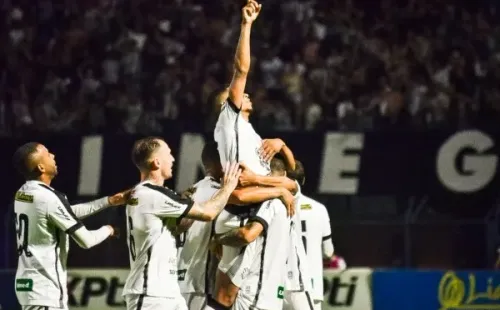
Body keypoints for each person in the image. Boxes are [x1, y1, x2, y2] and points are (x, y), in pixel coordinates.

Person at [122, 137, 241, 310]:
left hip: (169, 291)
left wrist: (194, 200)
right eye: (169, 154)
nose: (173, 159)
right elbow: (208, 213)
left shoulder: (158, 194)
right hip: (149, 293)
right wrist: (228, 188)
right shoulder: (150, 195)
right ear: (156, 162)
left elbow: (181, 226)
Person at [178, 142, 295, 310]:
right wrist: (279, 190)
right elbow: (240, 197)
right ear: (225, 162)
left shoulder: (192, 191)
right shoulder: (220, 192)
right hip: (201, 284)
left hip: (182, 280)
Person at [12, 142, 128, 310]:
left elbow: (62, 213)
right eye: (47, 154)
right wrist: (108, 229)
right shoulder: (48, 197)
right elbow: (86, 241)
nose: (53, 155)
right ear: (41, 167)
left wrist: (108, 202)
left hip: (29, 285)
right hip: (45, 290)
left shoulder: (23, 193)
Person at [211, 156, 292, 310]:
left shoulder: (271, 202)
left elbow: (247, 235)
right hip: (274, 297)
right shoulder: (292, 201)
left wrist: (218, 240)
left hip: (254, 295)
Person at [288, 161, 335, 310]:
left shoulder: (274, 206)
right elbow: (328, 252)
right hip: (311, 285)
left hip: (282, 286)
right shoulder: (320, 209)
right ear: (303, 180)